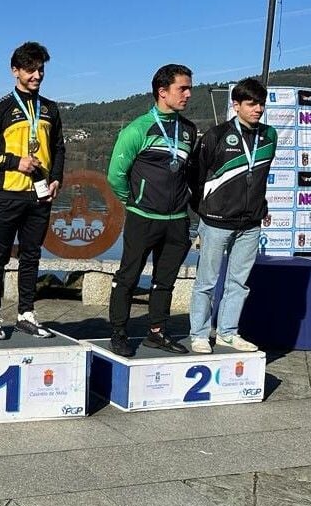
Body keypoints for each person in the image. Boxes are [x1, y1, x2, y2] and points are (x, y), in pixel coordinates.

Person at [106, 64, 198, 357]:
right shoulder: (138, 128)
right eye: (182, 88)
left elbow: (188, 174)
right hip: (143, 218)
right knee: (128, 277)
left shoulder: (188, 130)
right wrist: (133, 202)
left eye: (189, 88)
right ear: (162, 92)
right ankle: (118, 332)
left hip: (177, 221)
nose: (188, 94)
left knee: (165, 281)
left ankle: (156, 333)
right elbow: (115, 175)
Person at [0, 42, 66, 339]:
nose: (37, 75)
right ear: (15, 71)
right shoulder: (0, 108)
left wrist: (56, 180)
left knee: (31, 256)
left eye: (41, 69)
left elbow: (58, 148)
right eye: (31, 69)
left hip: (39, 195)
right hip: (6, 195)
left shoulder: (51, 109)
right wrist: (16, 162)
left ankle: (26, 313)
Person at [188, 78, 277, 352]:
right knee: (207, 282)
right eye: (251, 103)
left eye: (261, 103)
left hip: (250, 224)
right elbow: (195, 176)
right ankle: (200, 334)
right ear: (236, 105)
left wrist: (260, 207)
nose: (258, 109)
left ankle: (227, 331)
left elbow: (257, 178)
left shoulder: (270, 135)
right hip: (216, 223)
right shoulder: (216, 135)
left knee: (239, 282)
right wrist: (205, 210)